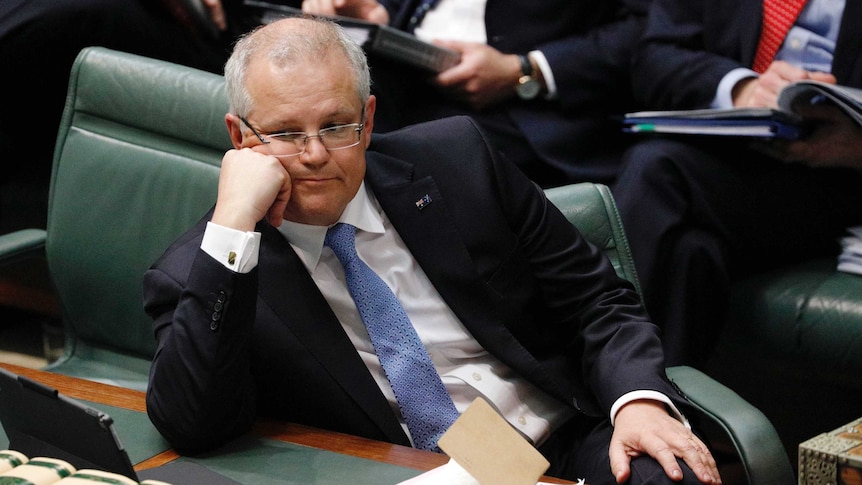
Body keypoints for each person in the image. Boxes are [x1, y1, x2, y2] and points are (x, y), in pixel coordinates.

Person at [143, 17, 721, 485]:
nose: (315, 154)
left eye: (336, 126)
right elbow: (194, 424)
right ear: (241, 138)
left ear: (368, 121)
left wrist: (637, 401)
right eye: (286, 133)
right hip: (414, 470)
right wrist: (233, 226)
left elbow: (595, 298)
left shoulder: (457, 160)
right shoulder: (206, 264)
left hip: (564, 438)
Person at [611, 0, 862, 367]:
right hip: (733, 158)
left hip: (844, 180)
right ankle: (647, 407)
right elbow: (653, 56)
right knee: (691, 249)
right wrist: (742, 87)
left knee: (658, 170)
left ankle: (594, 396)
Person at [298, 0, 651, 188]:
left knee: (384, 155)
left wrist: (526, 69)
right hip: (404, 74)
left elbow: (648, 29)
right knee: (298, 124)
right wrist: (378, 13)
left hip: (526, 113)